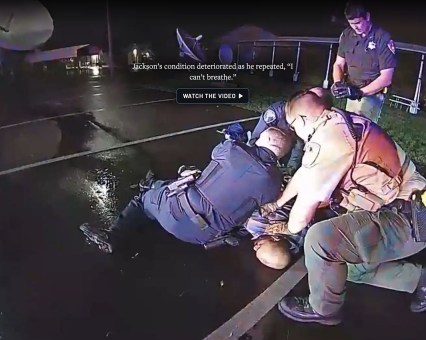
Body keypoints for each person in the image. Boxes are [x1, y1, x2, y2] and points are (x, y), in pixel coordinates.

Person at [260, 89, 426, 325]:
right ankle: (420, 279)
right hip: (407, 207)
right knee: (352, 268)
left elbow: (301, 218)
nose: (295, 133)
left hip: (409, 219)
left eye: (293, 126)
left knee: (320, 239)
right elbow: (305, 175)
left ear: (303, 120)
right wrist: (277, 203)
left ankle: (324, 311)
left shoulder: (328, 141)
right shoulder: (338, 121)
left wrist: (285, 227)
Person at [79, 127, 294, 268]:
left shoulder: (233, 149)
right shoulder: (274, 183)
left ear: (263, 138)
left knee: (146, 197)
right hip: (204, 237)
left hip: (175, 210)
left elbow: (218, 153)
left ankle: (114, 235)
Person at [331, 1, 397, 123]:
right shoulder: (346, 35)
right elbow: (339, 64)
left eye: (358, 23)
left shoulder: (382, 37)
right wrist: (338, 83)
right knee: (348, 125)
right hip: (351, 90)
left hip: (371, 95)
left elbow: (386, 78)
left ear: (367, 17)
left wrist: (360, 92)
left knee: (361, 128)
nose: (355, 27)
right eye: (351, 24)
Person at [248, 87, 333, 175]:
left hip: (288, 149)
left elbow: (299, 144)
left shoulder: (317, 124)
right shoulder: (277, 112)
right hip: (268, 148)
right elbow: (255, 138)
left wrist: (290, 170)